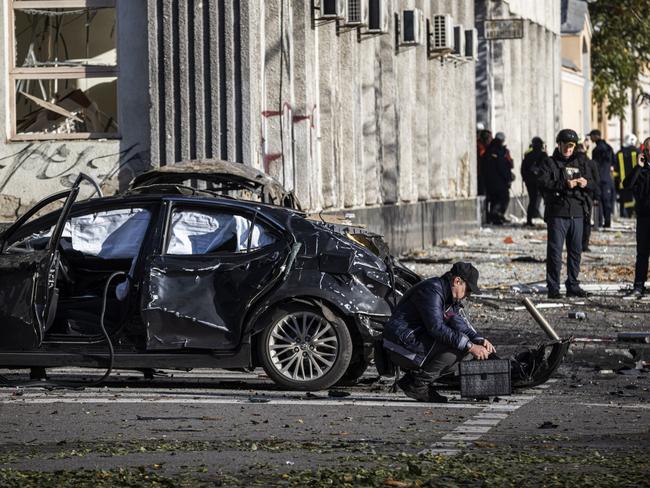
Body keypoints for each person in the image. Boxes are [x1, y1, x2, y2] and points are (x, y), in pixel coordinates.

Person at [382, 262, 495, 403]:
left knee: (463, 344)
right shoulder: (432, 291)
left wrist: (478, 339)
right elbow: (436, 328)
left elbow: (458, 323)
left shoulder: (448, 295)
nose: (468, 295)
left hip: (412, 341)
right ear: (457, 281)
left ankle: (412, 380)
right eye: (468, 290)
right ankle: (418, 385)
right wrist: (471, 346)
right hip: (400, 343)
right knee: (459, 347)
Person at [537, 129, 597, 299]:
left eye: (572, 146)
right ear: (559, 144)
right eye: (566, 145)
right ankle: (553, 288)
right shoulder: (549, 162)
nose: (568, 149)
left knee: (576, 252)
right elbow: (542, 181)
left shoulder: (581, 162)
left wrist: (586, 183)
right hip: (557, 213)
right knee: (555, 253)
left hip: (577, 213)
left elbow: (594, 183)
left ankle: (573, 284)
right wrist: (563, 184)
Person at [623, 137, 650, 298]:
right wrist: (638, 168)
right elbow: (627, 185)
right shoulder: (641, 171)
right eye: (647, 150)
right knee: (642, 254)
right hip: (644, 217)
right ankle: (639, 286)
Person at [484, 132, 514, 224]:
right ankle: (496, 216)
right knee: (503, 198)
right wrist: (508, 178)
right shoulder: (500, 150)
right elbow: (502, 166)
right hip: (499, 180)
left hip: (489, 180)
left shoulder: (489, 149)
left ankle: (496, 217)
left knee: (494, 199)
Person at [576, 142, 600, 252]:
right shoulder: (591, 163)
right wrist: (596, 196)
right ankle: (584, 245)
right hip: (587, 196)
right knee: (586, 221)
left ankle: (578, 244)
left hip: (577, 196)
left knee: (578, 221)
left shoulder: (573, 162)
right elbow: (596, 182)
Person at [589, 129, 616, 228]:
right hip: (606, 178)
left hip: (599, 178)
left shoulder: (596, 150)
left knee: (599, 201)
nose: (590, 138)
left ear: (596, 136)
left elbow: (595, 166)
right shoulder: (608, 148)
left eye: (591, 136)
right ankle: (607, 222)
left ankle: (599, 222)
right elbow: (614, 162)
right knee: (606, 201)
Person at [521, 137, 547, 226]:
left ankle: (529, 220)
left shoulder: (528, 155)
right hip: (540, 181)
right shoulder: (543, 155)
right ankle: (549, 219)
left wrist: (526, 179)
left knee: (532, 200)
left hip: (531, 181)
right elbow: (547, 168)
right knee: (546, 200)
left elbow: (523, 169)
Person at [615, 134, 640, 218]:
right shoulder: (638, 152)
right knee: (635, 201)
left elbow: (615, 170)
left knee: (624, 202)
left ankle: (626, 215)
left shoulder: (619, 153)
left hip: (623, 183)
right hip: (636, 182)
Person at [476, 129, 493, 196]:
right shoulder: (480, 147)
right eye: (490, 138)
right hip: (481, 173)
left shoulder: (484, 147)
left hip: (484, 173)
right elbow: (483, 156)